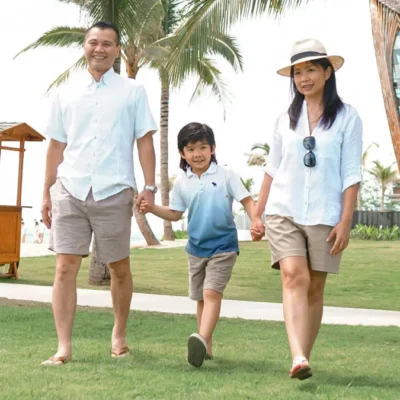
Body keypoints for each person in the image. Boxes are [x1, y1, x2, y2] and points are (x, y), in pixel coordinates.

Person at [40, 21, 158, 366]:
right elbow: (56, 146)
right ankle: (63, 347)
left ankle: (119, 337)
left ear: (118, 50)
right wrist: (46, 191)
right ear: (84, 46)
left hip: (114, 190)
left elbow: (144, 141)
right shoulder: (65, 92)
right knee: (64, 267)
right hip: (70, 189)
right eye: (94, 42)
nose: (100, 49)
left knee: (120, 268)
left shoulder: (133, 91)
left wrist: (149, 186)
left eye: (108, 44)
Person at [254, 39, 362, 380]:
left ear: (328, 73)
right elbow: (272, 168)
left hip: (325, 214)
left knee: (315, 288)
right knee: (293, 276)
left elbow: (351, 173)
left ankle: (303, 358)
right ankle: (297, 354)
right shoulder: (284, 120)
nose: (303, 78)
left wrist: (346, 221)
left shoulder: (347, 117)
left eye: (311, 70)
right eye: (298, 72)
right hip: (283, 209)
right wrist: (257, 213)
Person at [140, 122, 264, 368]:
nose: (197, 153)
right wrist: (152, 208)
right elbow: (175, 214)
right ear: (182, 153)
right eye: (191, 148)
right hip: (195, 249)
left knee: (211, 293)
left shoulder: (225, 174)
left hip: (224, 245)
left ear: (213, 149)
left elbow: (248, 201)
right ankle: (205, 347)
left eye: (203, 147)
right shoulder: (181, 182)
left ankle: (202, 339)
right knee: (200, 298)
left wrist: (256, 220)